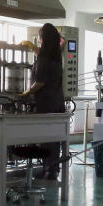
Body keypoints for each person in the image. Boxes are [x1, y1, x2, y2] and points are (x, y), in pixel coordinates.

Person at [20, 23, 66, 180]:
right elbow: (48, 51)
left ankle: (48, 169)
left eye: (39, 38)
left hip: (46, 103)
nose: (39, 41)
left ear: (43, 39)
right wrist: (33, 47)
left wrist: (26, 93)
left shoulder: (45, 57)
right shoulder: (56, 54)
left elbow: (40, 82)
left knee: (47, 138)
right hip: (57, 102)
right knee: (54, 138)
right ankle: (52, 168)